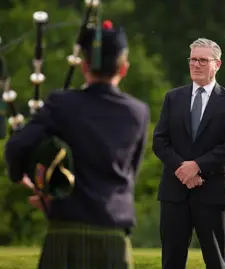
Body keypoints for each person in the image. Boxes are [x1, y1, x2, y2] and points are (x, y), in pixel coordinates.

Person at [4, 19, 150, 269]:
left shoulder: (62, 103)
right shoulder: (138, 112)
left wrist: (37, 184)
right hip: (113, 234)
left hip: (65, 231)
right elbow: (129, 174)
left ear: (84, 66)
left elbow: (17, 146)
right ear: (123, 68)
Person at [152, 38, 225, 269]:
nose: (196, 64)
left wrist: (197, 166)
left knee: (216, 260)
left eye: (203, 60)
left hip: (213, 191)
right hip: (175, 190)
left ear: (217, 64)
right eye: (193, 59)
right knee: (171, 260)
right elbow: (160, 141)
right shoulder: (173, 98)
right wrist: (182, 169)